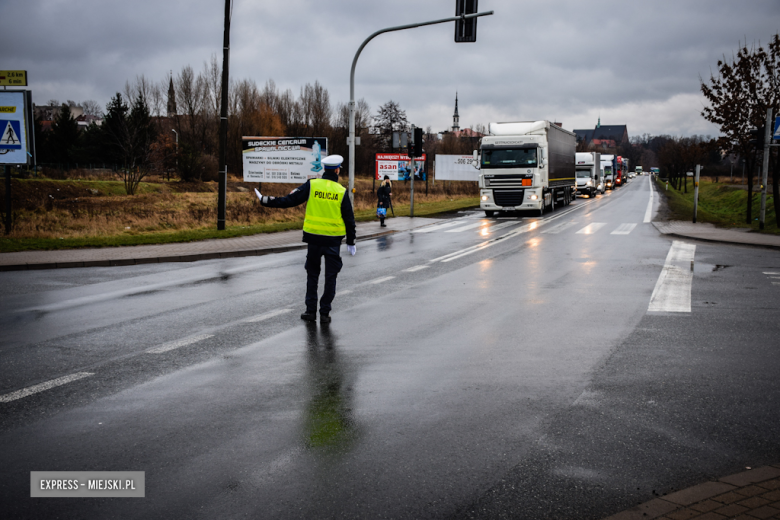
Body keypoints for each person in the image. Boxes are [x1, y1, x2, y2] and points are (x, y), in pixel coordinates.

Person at [255, 155, 356, 324]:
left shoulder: (312, 185)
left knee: (312, 276)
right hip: (332, 242)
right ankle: (324, 313)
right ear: (337, 170)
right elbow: (349, 219)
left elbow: (290, 200)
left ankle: (310, 311)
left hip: (314, 240)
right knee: (330, 278)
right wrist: (351, 241)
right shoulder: (341, 191)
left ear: (325, 170)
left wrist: (266, 201)